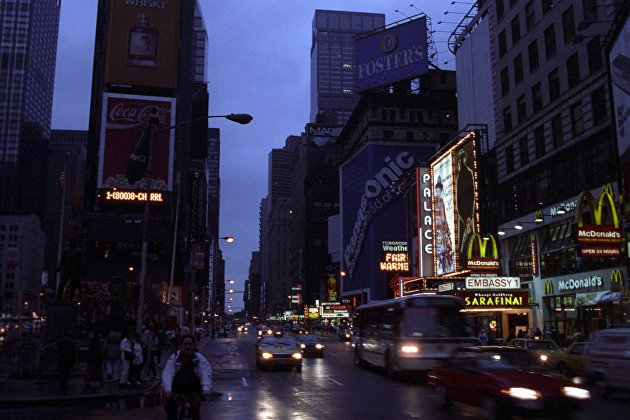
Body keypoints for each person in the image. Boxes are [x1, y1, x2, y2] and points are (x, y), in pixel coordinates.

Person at [162, 334, 212, 420]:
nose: (188, 346)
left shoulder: (200, 359)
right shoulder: (174, 358)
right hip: (177, 391)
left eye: (190, 344)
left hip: (194, 391)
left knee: (195, 414)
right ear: (181, 345)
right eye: (185, 344)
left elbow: (205, 373)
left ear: (194, 345)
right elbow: (168, 373)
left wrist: (206, 389)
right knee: (171, 412)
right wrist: (167, 389)